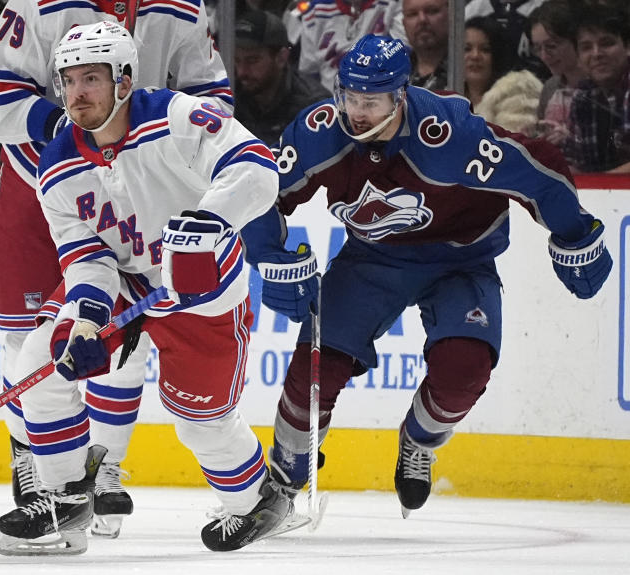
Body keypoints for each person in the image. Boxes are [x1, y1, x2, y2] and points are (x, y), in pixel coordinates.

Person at [240, 34, 612, 519]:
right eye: (350, 97)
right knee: (317, 366)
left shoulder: (451, 135)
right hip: (372, 260)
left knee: (465, 369)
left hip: (460, 261)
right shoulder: (320, 133)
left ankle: (418, 441)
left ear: (401, 96)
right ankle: (287, 476)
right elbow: (261, 189)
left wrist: (576, 234)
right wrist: (270, 254)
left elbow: (538, 170)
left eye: (371, 101)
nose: (356, 111)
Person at [0, 21, 288, 556]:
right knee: (42, 362)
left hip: (205, 289)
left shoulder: (177, 118)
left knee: (199, 421)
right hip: (131, 286)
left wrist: (209, 222)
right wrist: (86, 316)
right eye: (68, 80)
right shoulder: (56, 165)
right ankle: (66, 493)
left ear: (124, 81)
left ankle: (258, 500)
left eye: (91, 78)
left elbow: (255, 166)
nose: (77, 93)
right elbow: (85, 256)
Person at [233, 9, 329, 145]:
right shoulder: (230, 97)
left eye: (252, 60)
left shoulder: (313, 107)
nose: (242, 71)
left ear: (281, 58)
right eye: (236, 60)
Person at [565, 3, 630, 173]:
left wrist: (599, 184)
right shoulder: (582, 96)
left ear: (628, 46)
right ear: (578, 57)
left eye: (606, 43)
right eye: (586, 47)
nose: (596, 54)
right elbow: (576, 164)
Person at [295, 0, 406, 94]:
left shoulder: (394, 3)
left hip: (384, 98)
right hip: (331, 105)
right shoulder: (315, 11)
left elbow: (406, 54)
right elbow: (309, 75)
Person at [529, 0, 585, 147]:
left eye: (551, 46)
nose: (544, 56)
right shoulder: (550, 87)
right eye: (537, 48)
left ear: (576, 40)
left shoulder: (602, 83)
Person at [464, 16, 511, 109]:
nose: (475, 56)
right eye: (467, 49)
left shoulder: (513, 100)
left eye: (485, 50)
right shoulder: (443, 98)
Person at [402, 0, 449, 89]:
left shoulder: (468, 69)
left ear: (451, 16)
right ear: (404, 24)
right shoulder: (393, 74)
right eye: (413, 14)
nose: (422, 20)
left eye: (432, 11)